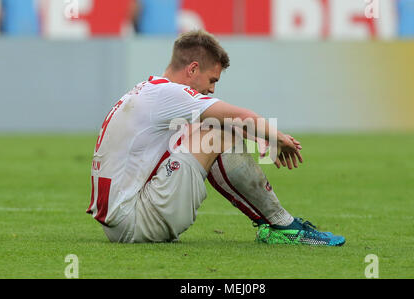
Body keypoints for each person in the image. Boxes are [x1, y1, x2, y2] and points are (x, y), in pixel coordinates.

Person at [87, 30, 345, 246]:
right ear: (193, 69)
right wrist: (278, 137)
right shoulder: (170, 95)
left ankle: (276, 224)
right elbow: (238, 116)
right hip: (136, 221)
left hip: (119, 224)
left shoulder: (148, 92)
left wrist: (260, 138)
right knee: (219, 131)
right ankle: (282, 225)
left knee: (215, 127)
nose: (212, 89)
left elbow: (206, 127)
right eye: (212, 80)